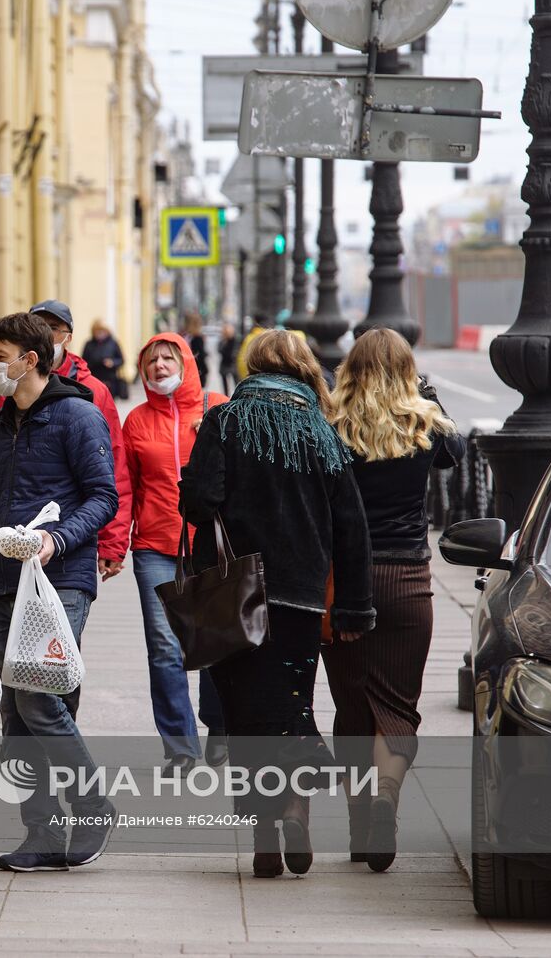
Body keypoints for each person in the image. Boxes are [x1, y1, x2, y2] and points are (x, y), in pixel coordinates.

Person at [179, 329, 373, 879]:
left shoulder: (225, 420)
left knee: (244, 714)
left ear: (253, 364)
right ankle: (297, 814)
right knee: (292, 705)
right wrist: (354, 607)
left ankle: (264, 835)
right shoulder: (320, 430)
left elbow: (200, 502)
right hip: (302, 596)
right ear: (304, 367)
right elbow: (351, 527)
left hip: (235, 592)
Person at [0, 312, 120, 873]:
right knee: (14, 714)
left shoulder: (77, 416)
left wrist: (55, 541)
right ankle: (39, 832)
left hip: (59, 581)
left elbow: (102, 496)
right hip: (2, 584)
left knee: (39, 698)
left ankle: (90, 803)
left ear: (29, 360)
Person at [324, 328, 464, 873]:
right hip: (408, 581)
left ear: (350, 367)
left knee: (353, 706)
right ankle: (387, 798)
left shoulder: (333, 424)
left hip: (347, 585)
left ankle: (362, 830)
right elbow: (453, 456)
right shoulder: (423, 421)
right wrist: (424, 390)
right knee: (398, 706)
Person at [0, 299, 131, 582]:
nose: (47, 333)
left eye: (53, 328)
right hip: (0, 566)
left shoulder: (90, 397)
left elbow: (111, 475)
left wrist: (112, 541)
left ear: (68, 337)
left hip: (63, 563)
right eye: (40, 325)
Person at [122, 333, 229, 770]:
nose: (159, 365)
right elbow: (124, 486)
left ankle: (221, 728)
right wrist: (114, 543)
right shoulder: (137, 421)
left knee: (215, 643)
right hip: (155, 547)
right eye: (151, 360)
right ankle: (181, 749)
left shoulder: (217, 408)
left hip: (209, 545)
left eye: (168, 357)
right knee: (165, 649)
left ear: (185, 363)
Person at [82, 321, 127, 398]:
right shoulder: (89, 344)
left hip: (110, 380)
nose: (100, 333)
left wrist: (112, 363)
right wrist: (94, 362)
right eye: (98, 331)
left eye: (102, 331)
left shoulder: (113, 343)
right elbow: (83, 362)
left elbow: (121, 360)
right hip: (94, 378)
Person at [182, 314, 208, 386]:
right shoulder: (194, 337)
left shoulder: (191, 337)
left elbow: (200, 355)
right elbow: (201, 355)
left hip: (191, 369)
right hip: (193, 369)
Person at [216, 322, 239, 395]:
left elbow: (235, 352)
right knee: (225, 384)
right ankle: (226, 396)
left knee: (236, 382)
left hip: (232, 364)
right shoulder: (223, 341)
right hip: (224, 364)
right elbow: (219, 350)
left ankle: (237, 395)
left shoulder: (234, 340)